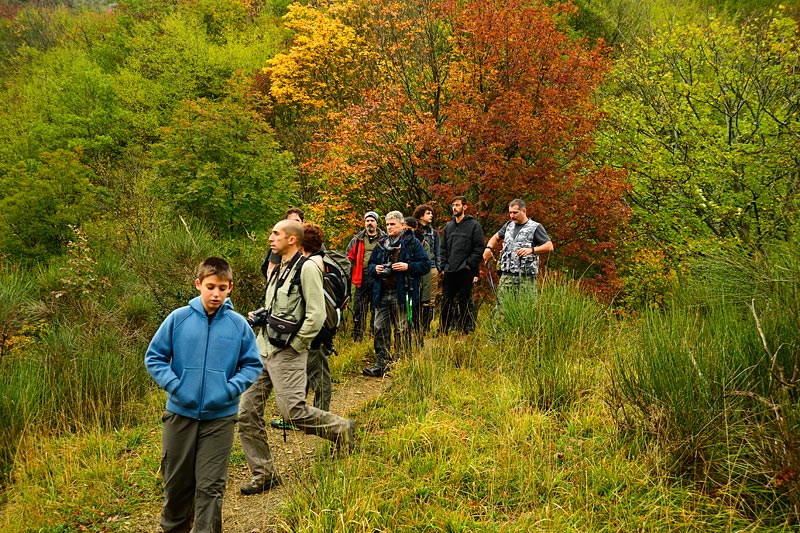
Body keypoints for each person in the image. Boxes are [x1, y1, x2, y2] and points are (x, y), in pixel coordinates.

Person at [145, 257, 263, 533]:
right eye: (210, 286)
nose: (216, 294)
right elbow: (155, 357)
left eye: (222, 288)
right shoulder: (178, 319)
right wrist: (176, 386)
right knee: (177, 485)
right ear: (198, 284)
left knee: (211, 486)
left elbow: (252, 364)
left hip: (219, 419)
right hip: (179, 416)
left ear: (230, 288)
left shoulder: (238, 325)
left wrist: (228, 389)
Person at [238, 220, 355, 496]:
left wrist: (297, 345)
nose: (270, 238)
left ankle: (342, 429)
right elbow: (277, 307)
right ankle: (263, 473)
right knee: (246, 412)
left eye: (276, 234)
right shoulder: (278, 268)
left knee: (292, 411)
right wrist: (261, 315)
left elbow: (316, 315)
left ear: (292, 239)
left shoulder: (309, 268)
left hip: (288, 353)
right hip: (263, 349)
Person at [363, 211, 430, 377]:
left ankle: (401, 363)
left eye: (392, 224)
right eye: (387, 224)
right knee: (379, 328)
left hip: (403, 293)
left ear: (402, 225)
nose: (389, 227)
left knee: (402, 329)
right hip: (382, 292)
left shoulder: (412, 243)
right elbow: (370, 266)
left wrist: (408, 266)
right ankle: (382, 363)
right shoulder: (381, 244)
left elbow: (425, 265)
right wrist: (376, 269)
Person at [482, 199, 553, 298]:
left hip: (526, 277)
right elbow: (495, 237)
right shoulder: (508, 226)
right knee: (502, 309)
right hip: (507, 276)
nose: (512, 216)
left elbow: (549, 246)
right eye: (510, 213)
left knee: (525, 309)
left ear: (524, 211)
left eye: (515, 212)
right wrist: (488, 248)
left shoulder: (535, 227)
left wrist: (531, 250)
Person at [440, 196, 484, 335]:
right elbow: (443, 248)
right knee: (446, 301)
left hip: (465, 270)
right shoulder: (449, 226)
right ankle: (444, 330)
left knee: (465, 302)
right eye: (453, 205)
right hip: (450, 270)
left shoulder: (474, 225)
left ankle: (467, 330)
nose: (454, 208)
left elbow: (479, 248)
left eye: (457, 205)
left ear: (464, 207)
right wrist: (443, 266)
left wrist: (469, 265)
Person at [346, 211, 385, 342]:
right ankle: (357, 337)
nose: (369, 223)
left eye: (372, 220)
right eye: (367, 221)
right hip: (361, 278)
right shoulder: (357, 239)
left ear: (376, 223)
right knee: (359, 308)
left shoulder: (384, 239)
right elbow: (348, 258)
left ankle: (374, 335)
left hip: (378, 278)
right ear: (364, 223)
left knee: (376, 307)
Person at [412, 204, 441, 335]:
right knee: (416, 296)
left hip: (431, 268)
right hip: (415, 269)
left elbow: (438, 251)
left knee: (429, 298)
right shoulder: (413, 231)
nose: (431, 216)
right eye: (428, 213)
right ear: (421, 215)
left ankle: (426, 327)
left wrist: (438, 268)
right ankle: (414, 326)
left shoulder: (433, 233)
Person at [260, 207, 304, 279]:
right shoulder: (280, 245)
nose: (293, 224)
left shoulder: (312, 241)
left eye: (297, 221)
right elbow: (270, 271)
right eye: (290, 221)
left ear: (303, 222)